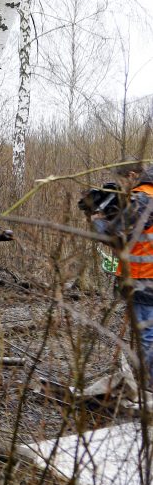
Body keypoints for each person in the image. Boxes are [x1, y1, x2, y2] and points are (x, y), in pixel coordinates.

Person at [90, 159, 153, 385]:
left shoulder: (143, 198)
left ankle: (150, 389)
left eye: (124, 180)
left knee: (147, 337)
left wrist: (96, 217)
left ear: (133, 174)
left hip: (143, 277)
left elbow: (113, 235)